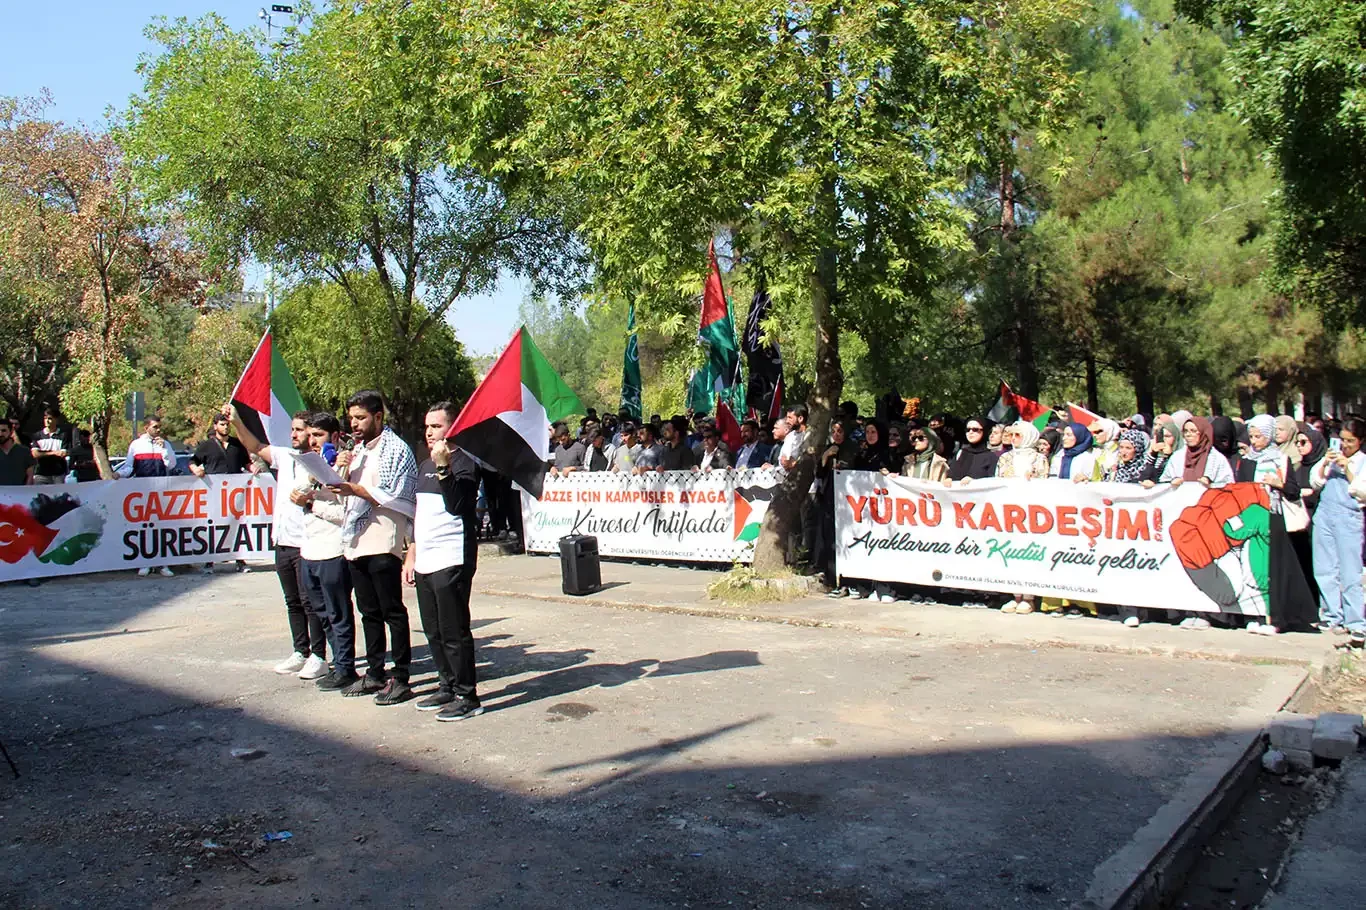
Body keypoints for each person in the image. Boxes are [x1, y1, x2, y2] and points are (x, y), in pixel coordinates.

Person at [331, 391, 418, 705]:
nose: (354, 424)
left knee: (391, 609)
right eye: (351, 418)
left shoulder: (396, 448)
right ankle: (375, 671)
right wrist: (341, 469)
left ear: (378, 416)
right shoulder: (357, 450)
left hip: (383, 538)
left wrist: (354, 487)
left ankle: (402, 676)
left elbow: (397, 493)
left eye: (360, 418)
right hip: (357, 540)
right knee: (368, 611)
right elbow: (345, 497)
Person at [232, 406, 329, 679]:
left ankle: (319, 655)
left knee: (310, 602)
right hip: (283, 540)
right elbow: (255, 444)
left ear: (311, 433)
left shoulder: (320, 461)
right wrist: (237, 421)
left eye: (299, 430)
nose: (294, 434)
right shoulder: (285, 457)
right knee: (293, 601)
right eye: (293, 429)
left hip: (306, 542)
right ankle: (301, 650)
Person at [403, 401, 484, 721]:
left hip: (452, 557)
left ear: (453, 427)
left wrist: (443, 467)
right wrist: (412, 553)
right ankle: (446, 684)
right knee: (433, 628)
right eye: (427, 426)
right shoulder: (424, 465)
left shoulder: (463, 462)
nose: (429, 431)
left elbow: (458, 505)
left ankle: (468, 695)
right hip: (426, 557)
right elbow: (420, 515)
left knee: (454, 629)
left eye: (436, 426)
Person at [293, 411, 360, 693]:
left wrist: (312, 505)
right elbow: (296, 493)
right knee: (320, 611)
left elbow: (344, 512)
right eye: (310, 436)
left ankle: (346, 666)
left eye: (319, 436)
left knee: (338, 612)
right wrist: (308, 486)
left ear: (334, 436)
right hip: (310, 548)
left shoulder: (346, 462)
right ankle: (336, 661)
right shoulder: (309, 462)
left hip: (333, 549)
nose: (313, 441)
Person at [1238, 414, 1318, 636]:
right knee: (1254, 568)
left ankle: (1278, 618)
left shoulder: (1281, 459)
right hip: (1254, 519)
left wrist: (1278, 483)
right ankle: (1254, 614)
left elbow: (1293, 491)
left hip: (1274, 519)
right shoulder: (1247, 460)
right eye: (1252, 436)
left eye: (1259, 436)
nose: (1254, 441)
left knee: (1276, 569)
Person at [1313, 417, 1366, 645]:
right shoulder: (1334, 457)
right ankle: (1331, 614)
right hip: (1325, 513)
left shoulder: (1362, 462)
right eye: (1342, 440)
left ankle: (1356, 622)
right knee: (1325, 567)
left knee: (1350, 572)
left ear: (1361, 441)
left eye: (1350, 441)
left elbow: (1362, 492)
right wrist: (1325, 464)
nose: (1345, 445)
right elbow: (1315, 481)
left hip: (1349, 517)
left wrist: (1348, 471)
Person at [996, 422, 1049, 614]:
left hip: (1030, 514)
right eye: (1011, 435)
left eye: (1018, 435)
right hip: (1008, 512)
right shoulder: (1005, 458)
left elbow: (1045, 484)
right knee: (1009, 553)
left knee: (1029, 554)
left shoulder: (1039, 458)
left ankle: (1029, 597)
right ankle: (1014, 594)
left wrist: (1032, 479)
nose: (1013, 439)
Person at [191, 413, 253, 575]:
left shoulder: (236, 444)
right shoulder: (207, 446)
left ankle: (240, 560)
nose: (225, 427)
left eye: (227, 424)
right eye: (222, 424)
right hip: (214, 492)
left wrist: (253, 469)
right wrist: (196, 469)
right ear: (215, 426)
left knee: (236, 526)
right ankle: (209, 562)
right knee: (214, 526)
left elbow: (246, 462)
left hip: (235, 493)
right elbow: (193, 461)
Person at [117, 417, 178, 576]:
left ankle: (163, 564)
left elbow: (171, 464)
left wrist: (164, 448)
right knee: (144, 528)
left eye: (159, 427)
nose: (158, 430)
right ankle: (145, 562)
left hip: (161, 490)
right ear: (146, 428)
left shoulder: (165, 444)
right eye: (155, 427)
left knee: (161, 528)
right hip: (142, 491)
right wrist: (118, 474)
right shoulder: (136, 445)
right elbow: (129, 467)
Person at [820, 419, 861, 597]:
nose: (836, 435)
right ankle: (830, 578)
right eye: (834, 431)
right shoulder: (829, 448)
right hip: (829, 495)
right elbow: (819, 473)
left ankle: (848, 581)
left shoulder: (852, 448)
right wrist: (826, 456)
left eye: (840, 431)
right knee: (829, 537)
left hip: (848, 499)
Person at [1156, 417, 1233, 487]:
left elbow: (1228, 485)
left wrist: (1211, 485)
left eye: (1193, 431)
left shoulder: (1217, 458)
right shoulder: (1177, 456)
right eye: (1186, 431)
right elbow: (1163, 483)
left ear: (1203, 433)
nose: (1188, 435)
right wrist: (1172, 482)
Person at [946, 417, 999, 483]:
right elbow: (951, 474)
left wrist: (974, 482)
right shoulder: (961, 453)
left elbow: (992, 482)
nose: (970, 432)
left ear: (984, 431)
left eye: (975, 429)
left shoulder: (991, 456)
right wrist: (948, 479)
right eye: (968, 430)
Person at [30, 408, 69, 485]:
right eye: (45, 418)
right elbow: (35, 454)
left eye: (50, 418)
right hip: (41, 473)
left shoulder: (63, 435)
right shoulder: (37, 435)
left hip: (58, 474)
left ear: (56, 420)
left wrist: (43, 453)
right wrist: (53, 453)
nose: (47, 421)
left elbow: (63, 453)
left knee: (59, 495)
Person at [0, 418, 34, 486]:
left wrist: (25, 491)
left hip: (19, 493)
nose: (0, 434)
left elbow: (30, 475)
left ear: (11, 431)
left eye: (3, 431)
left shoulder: (24, 451)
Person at [778, 405, 809, 471]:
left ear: (800, 418)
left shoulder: (809, 436)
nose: (787, 421)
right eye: (787, 417)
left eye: (790, 418)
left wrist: (793, 464)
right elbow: (782, 459)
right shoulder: (789, 436)